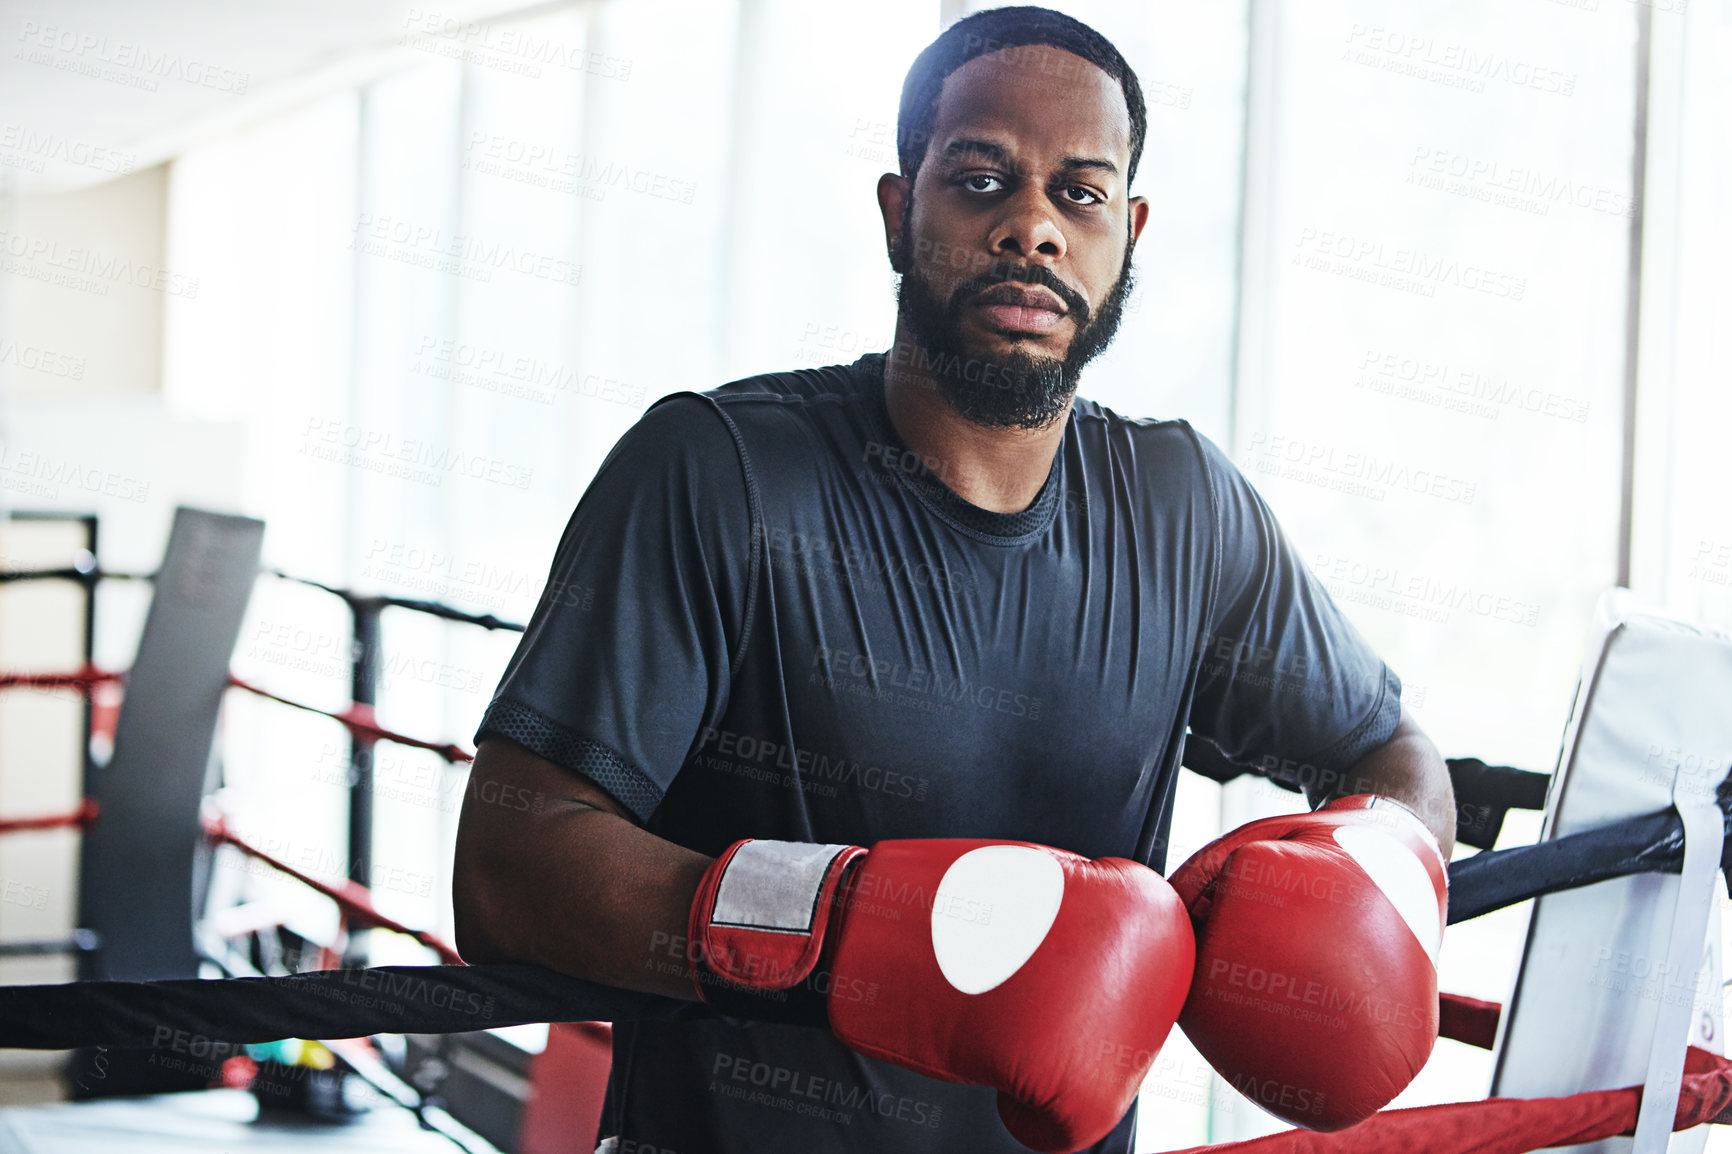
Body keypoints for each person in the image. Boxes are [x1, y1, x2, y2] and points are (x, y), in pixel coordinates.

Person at [453, 7, 1457, 1153]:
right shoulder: (718, 470)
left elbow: (1394, 757)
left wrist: (1365, 882)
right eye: (982, 179)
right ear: (900, 212)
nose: (1032, 225)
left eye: (1078, 194)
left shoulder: (1186, 508)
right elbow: (506, 867)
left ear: (1126, 231)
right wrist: (844, 926)